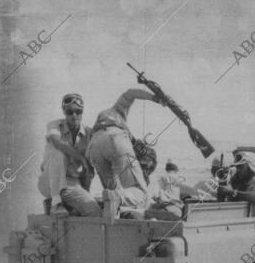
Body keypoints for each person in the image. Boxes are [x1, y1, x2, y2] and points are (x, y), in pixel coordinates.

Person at [86, 88, 164, 217]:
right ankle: (117, 199)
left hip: (93, 146)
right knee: (140, 193)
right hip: (115, 138)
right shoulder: (118, 110)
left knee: (111, 194)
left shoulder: (101, 118)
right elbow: (131, 93)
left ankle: (97, 201)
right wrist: (156, 98)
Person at [37, 93, 101, 217]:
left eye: (78, 111)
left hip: (72, 184)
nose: (74, 115)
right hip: (49, 181)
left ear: (82, 112)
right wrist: (80, 158)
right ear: (64, 111)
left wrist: (85, 193)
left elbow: (90, 169)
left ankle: (69, 210)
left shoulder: (88, 133)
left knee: (94, 211)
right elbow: (57, 142)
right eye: (70, 112)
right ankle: (56, 203)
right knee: (59, 153)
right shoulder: (54, 125)